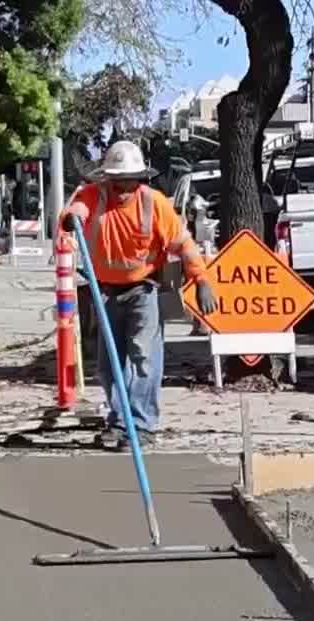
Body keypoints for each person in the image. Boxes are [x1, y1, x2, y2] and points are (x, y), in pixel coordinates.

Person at [62, 139, 218, 449]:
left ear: (140, 179)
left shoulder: (154, 203)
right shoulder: (93, 197)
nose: (123, 188)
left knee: (145, 358)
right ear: (107, 178)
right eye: (117, 181)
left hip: (143, 290)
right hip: (104, 292)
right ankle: (120, 422)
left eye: (129, 181)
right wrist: (72, 218)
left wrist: (201, 280)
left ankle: (142, 424)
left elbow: (183, 244)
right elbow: (74, 212)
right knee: (110, 366)